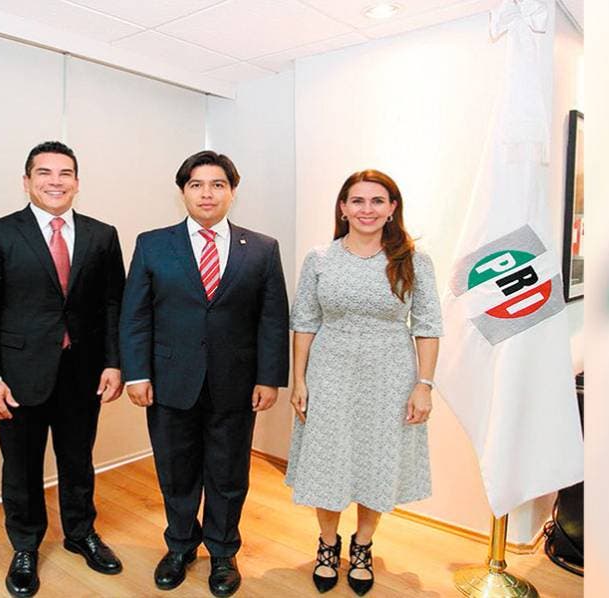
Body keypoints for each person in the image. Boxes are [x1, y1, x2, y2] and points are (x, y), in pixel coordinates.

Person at [119, 150, 289, 597]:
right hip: (169, 381)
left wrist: (269, 377)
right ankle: (179, 546)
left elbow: (272, 318)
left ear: (232, 192)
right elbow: (135, 315)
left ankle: (222, 552)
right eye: (196, 185)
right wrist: (136, 374)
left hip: (236, 383)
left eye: (218, 184)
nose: (207, 193)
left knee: (228, 474)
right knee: (176, 471)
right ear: (183, 192)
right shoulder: (153, 244)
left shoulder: (263, 249)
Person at [0, 141, 126, 597]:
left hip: (84, 374)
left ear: (77, 182)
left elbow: (113, 304)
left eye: (65, 173)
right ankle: (25, 546)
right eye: (44, 173)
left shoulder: (102, 235)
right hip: (17, 377)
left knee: (78, 461)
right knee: (21, 467)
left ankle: (80, 533)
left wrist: (114, 362)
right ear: (26, 181)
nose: (55, 181)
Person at [285, 170, 442, 596]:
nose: (366, 209)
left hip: (390, 375)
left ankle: (363, 545)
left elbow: (427, 326)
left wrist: (424, 385)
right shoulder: (320, 258)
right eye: (357, 201)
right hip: (329, 372)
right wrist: (298, 381)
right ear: (343, 208)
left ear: (392, 209)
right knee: (327, 462)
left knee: (377, 461)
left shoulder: (413, 261)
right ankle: (327, 543)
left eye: (377, 201)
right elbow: (304, 322)